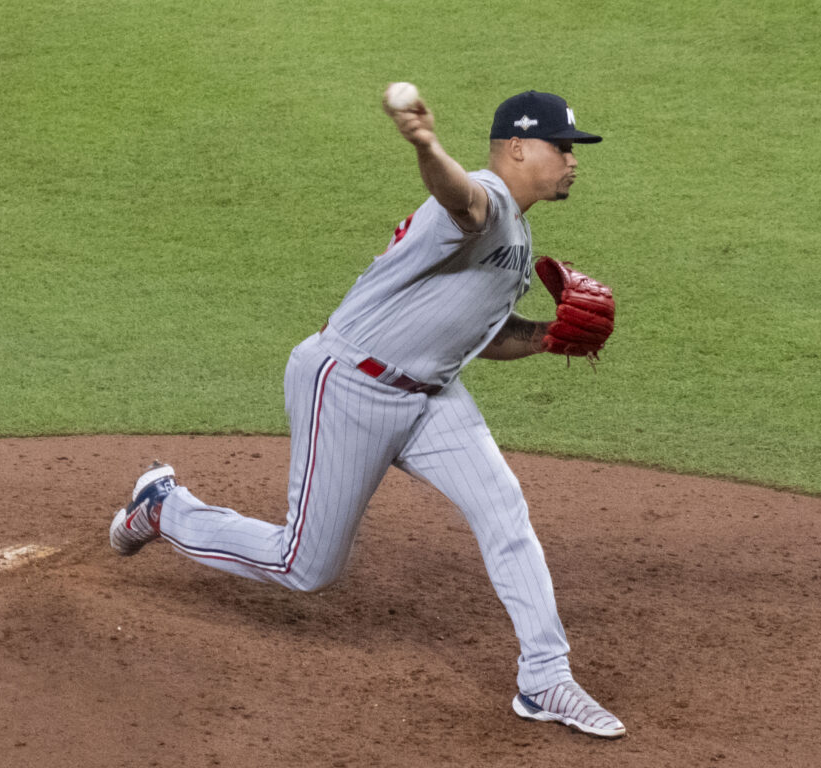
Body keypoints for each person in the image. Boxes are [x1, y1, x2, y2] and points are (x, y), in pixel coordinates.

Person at [110, 87, 626, 739]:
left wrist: (548, 337)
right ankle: (164, 506)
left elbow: (482, 336)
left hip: (432, 394)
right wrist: (424, 143)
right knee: (307, 567)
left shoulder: (517, 239)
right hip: (351, 382)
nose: (574, 161)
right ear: (518, 148)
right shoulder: (486, 202)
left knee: (504, 508)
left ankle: (545, 677)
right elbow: (458, 197)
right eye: (563, 147)